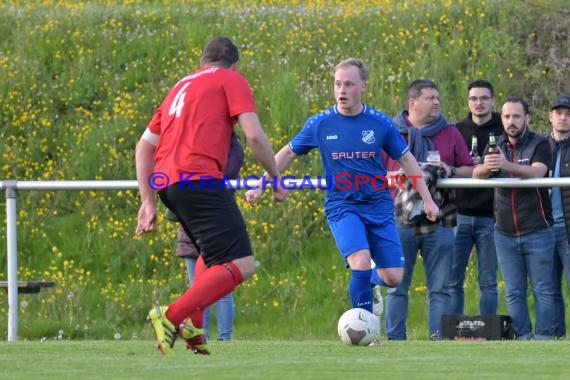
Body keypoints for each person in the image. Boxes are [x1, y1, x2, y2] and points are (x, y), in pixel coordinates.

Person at [245, 58, 439, 328]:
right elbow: (287, 153)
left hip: (379, 206)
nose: (342, 90)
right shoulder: (320, 123)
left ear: (363, 87)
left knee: (394, 276)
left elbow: (407, 161)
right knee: (359, 261)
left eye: (349, 84)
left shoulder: (380, 123)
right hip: (342, 206)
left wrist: (427, 200)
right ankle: (365, 327)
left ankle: (370, 281)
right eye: (338, 84)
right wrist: (261, 184)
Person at [135, 37, 286, 355]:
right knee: (242, 263)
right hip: (198, 179)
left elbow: (144, 145)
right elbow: (255, 136)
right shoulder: (232, 80)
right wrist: (275, 177)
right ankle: (171, 316)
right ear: (235, 64)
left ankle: (194, 327)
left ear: (202, 62)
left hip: (167, 183)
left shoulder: (180, 86)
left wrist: (148, 202)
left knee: (211, 253)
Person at [382, 79, 474, 340]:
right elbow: (375, 173)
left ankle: (438, 342)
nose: (437, 102)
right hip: (398, 221)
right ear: (412, 103)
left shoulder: (450, 132)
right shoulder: (389, 132)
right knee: (396, 286)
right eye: (430, 98)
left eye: (437, 97)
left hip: (441, 221)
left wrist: (449, 170)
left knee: (441, 289)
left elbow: (468, 169)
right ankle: (395, 342)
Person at [473, 96, 554, 339]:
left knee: (543, 290)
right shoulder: (495, 145)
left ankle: (544, 339)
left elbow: (538, 172)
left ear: (527, 118)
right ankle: (523, 339)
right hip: (504, 232)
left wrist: (506, 165)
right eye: (507, 116)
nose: (511, 121)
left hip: (538, 229)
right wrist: (488, 167)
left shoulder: (540, 143)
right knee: (513, 292)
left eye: (517, 116)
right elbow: (477, 173)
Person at [166, 131, 244, 341]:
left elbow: (226, 172)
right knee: (198, 290)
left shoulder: (230, 147)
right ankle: (202, 336)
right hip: (193, 228)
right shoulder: (187, 144)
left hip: (218, 225)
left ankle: (225, 339)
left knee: (222, 289)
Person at [450, 80, 503, 316]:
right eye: (474, 99)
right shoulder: (456, 130)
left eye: (483, 98)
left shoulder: (504, 128)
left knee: (489, 281)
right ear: (468, 101)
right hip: (458, 216)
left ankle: (489, 331)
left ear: (492, 100)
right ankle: (449, 333)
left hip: (491, 217)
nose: (478, 103)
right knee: (452, 281)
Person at [546, 95, 570, 338]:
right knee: (550, 290)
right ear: (550, 116)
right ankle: (556, 339)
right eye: (559, 112)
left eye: (568, 113)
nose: (563, 117)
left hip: (567, 228)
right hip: (543, 228)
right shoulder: (539, 146)